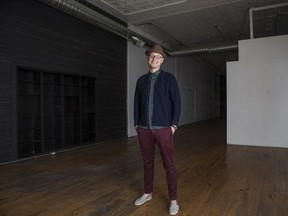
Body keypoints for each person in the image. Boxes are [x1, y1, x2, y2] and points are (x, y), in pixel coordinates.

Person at [133, 44, 181, 215]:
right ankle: (147, 193)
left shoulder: (169, 78)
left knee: (169, 165)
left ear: (162, 60)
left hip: (163, 129)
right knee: (147, 163)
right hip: (144, 129)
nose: (155, 59)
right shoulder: (141, 81)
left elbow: (176, 102)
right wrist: (137, 125)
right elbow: (137, 104)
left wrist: (174, 125)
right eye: (152, 56)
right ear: (148, 58)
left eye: (158, 57)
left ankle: (173, 200)